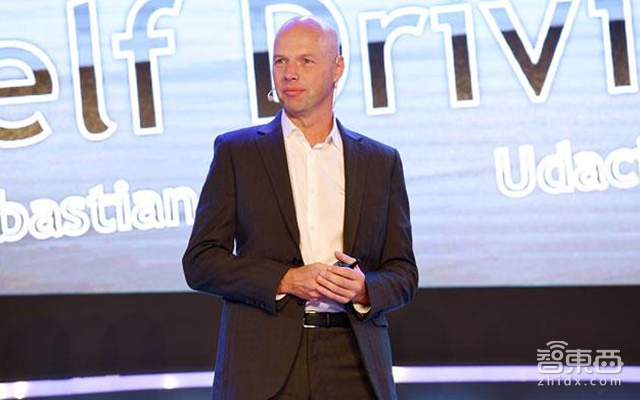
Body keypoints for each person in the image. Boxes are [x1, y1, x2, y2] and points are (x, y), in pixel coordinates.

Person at [183, 16, 418, 400]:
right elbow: (200, 262)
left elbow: (403, 273)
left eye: (305, 61)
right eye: (280, 61)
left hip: (355, 361)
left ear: (337, 68)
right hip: (262, 364)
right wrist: (286, 280)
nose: (289, 73)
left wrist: (364, 289)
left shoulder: (380, 161)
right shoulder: (238, 152)